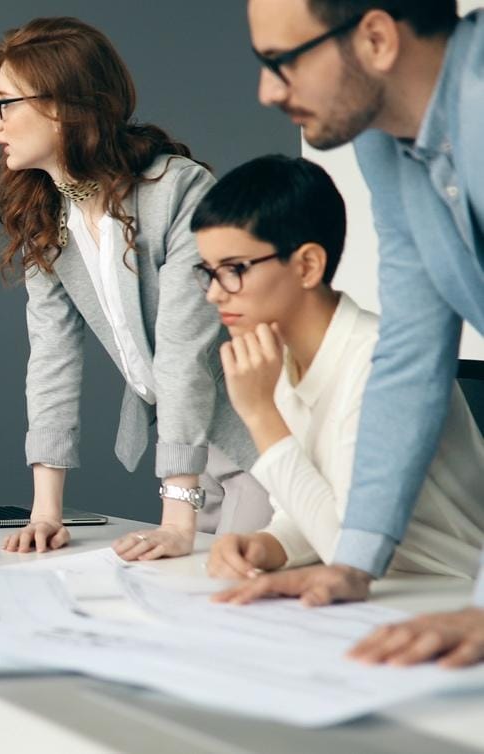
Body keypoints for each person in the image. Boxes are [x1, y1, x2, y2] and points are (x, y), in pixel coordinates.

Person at [230, 2, 484, 613]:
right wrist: (352, 563)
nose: (267, 91)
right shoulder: (386, 141)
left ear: (375, 38)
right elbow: (411, 349)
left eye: (281, 62)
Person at [0, 17, 271, 560]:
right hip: (186, 442)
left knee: (238, 593)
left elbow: (185, 352)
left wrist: (176, 518)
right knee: (190, 599)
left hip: (259, 434)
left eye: (6, 103)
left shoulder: (178, 191)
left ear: (61, 106)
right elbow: (51, 360)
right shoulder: (48, 212)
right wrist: (45, 514)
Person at [190, 155, 484, 586]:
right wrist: (267, 545)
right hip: (384, 591)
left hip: (455, 596)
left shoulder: (379, 363)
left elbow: (348, 548)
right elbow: (309, 512)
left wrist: (259, 415)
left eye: (234, 270)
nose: (215, 293)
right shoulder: (279, 359)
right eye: (208, 272)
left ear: (308, 265)